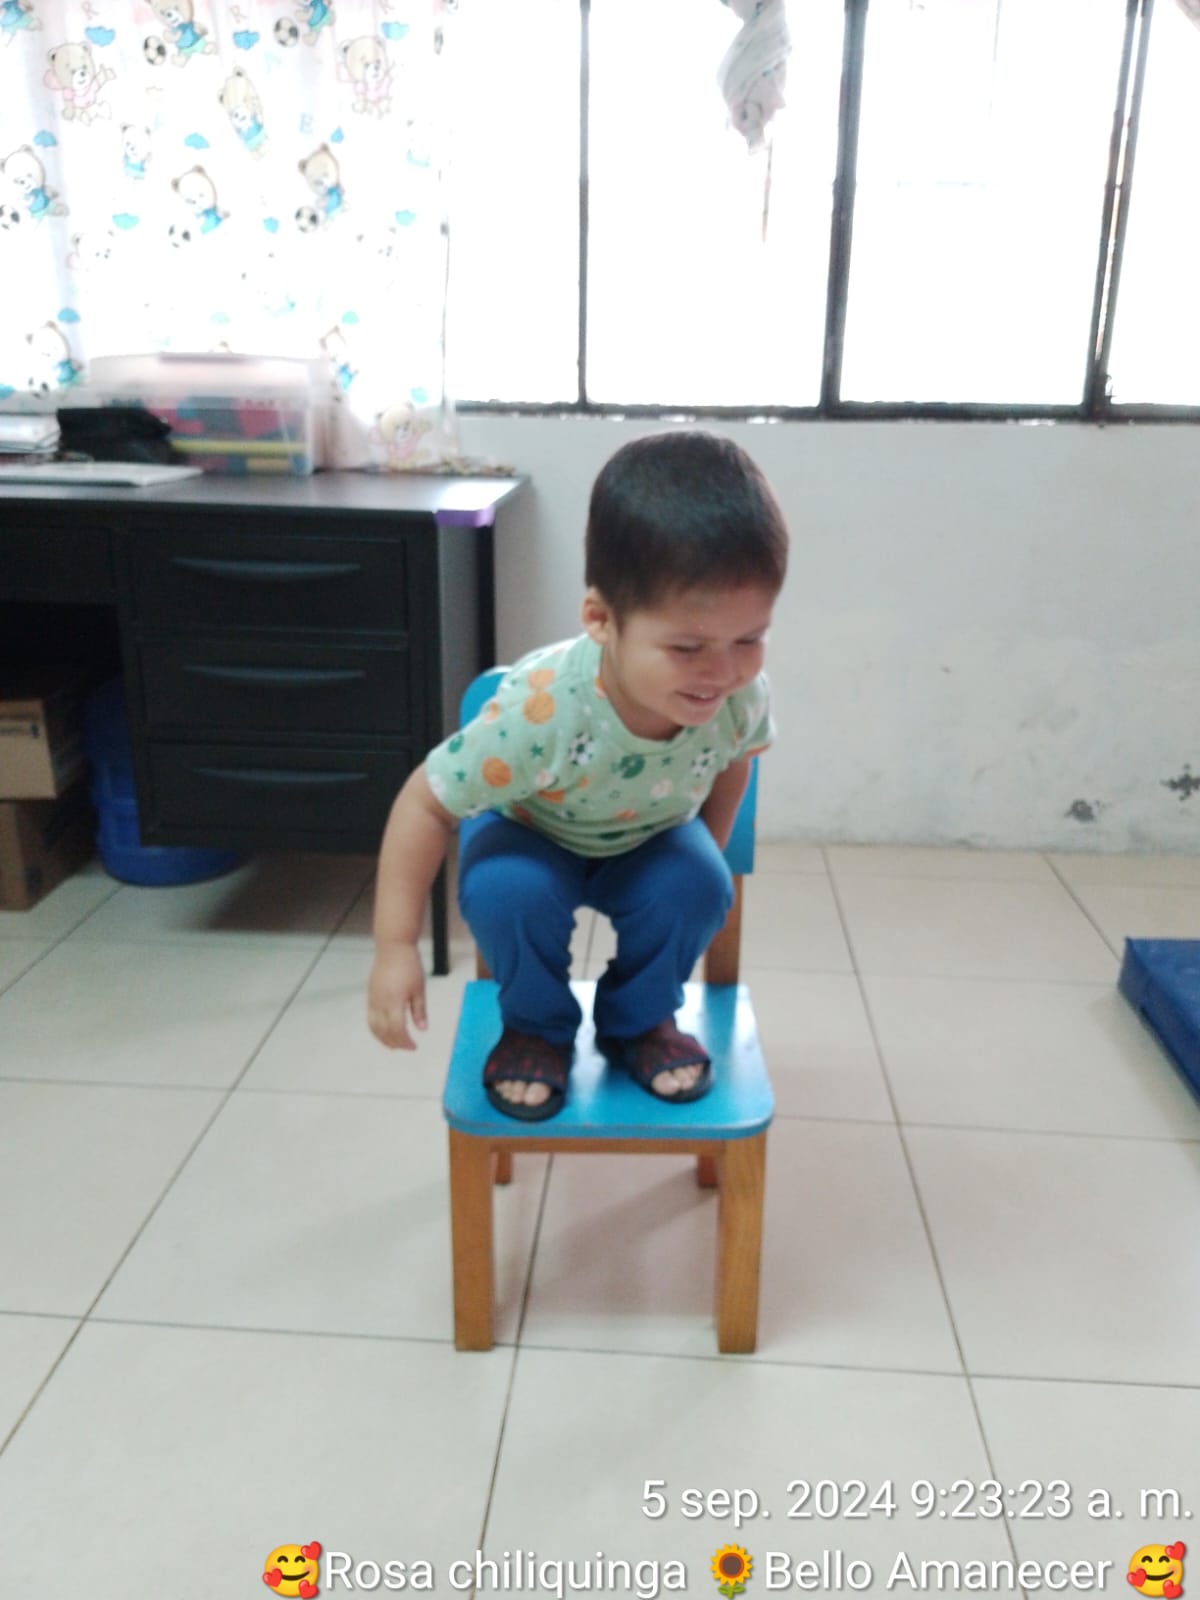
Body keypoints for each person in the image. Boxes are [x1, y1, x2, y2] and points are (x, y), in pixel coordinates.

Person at [367, 430, 788, 1120]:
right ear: (600, 618)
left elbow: (736, 759)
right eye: (687, 646)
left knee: (698, 883)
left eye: (750, 638)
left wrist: (703, 854)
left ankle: (639, 1021)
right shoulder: (542, 715)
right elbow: (426, 803)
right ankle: (536, 1028)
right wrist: (394, 947)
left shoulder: (739, 697)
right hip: (532, 836)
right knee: (508, 891)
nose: (722, 671)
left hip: (648, 838)